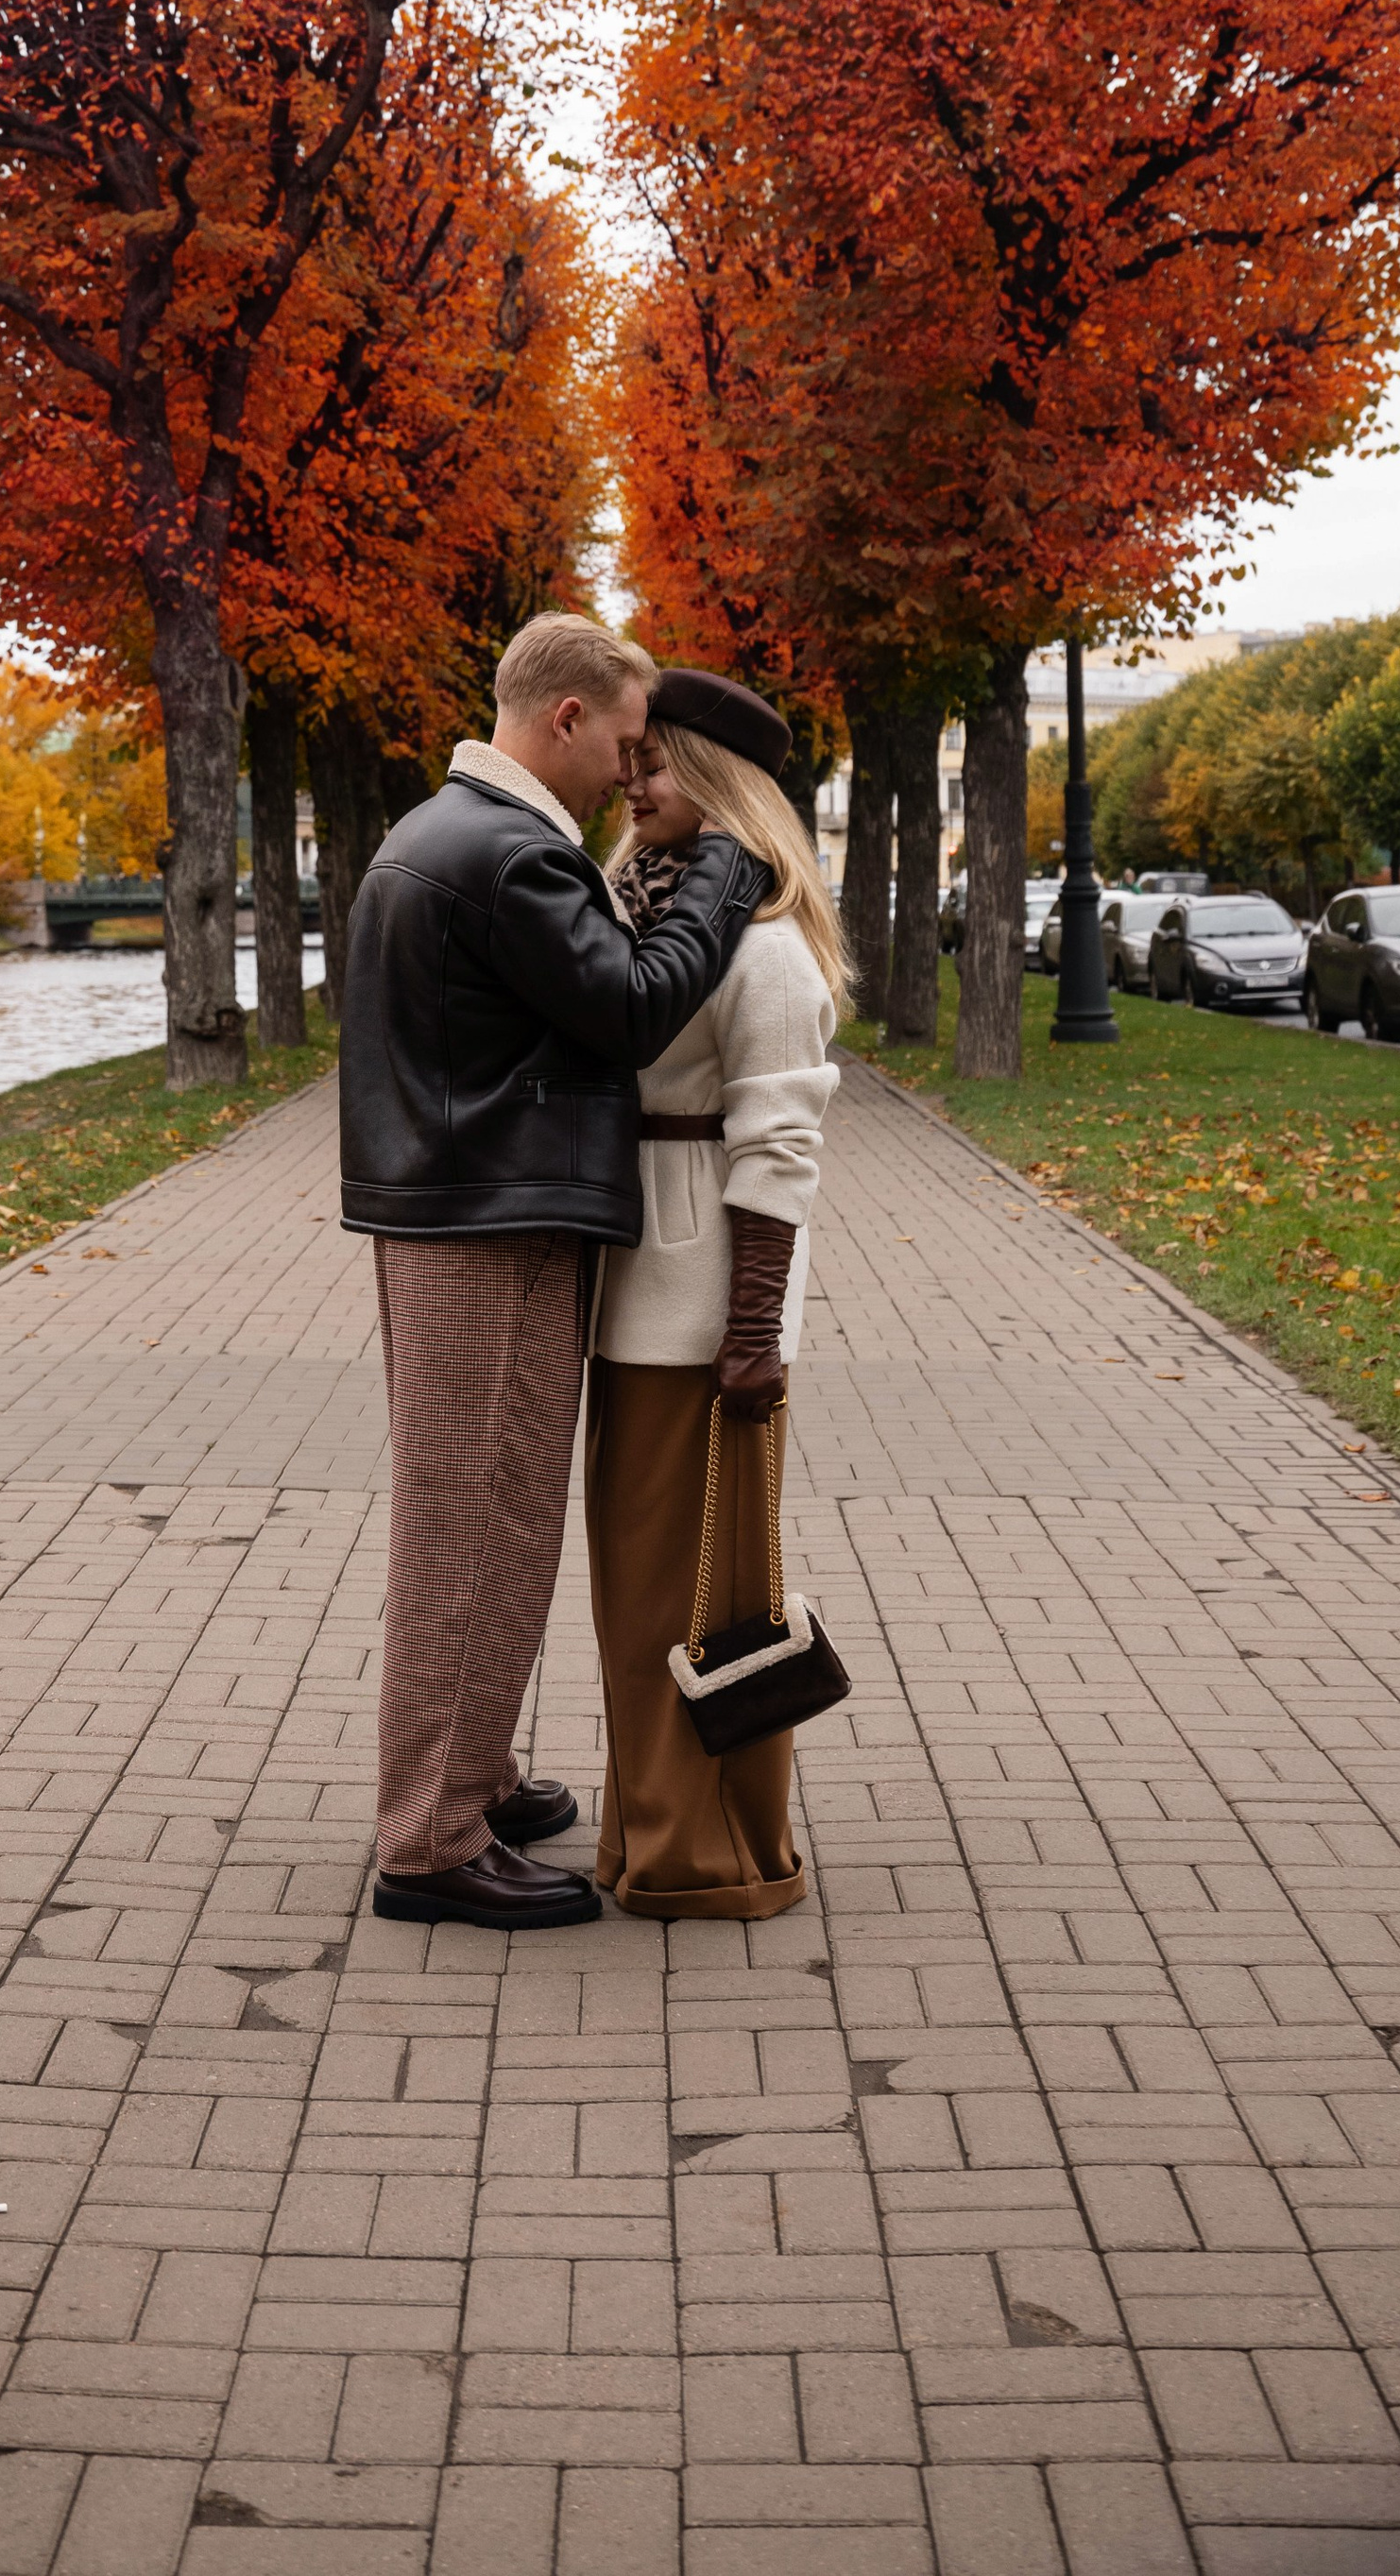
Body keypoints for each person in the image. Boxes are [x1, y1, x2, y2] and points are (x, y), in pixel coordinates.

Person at [339, 613, 768, 1931]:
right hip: (493, 1223)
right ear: (568, 718)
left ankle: (468, 1776)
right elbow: (635, 1003)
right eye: (626, 745)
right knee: (478, 1521)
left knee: (478, 1509)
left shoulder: (445, 830)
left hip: (456, 1208)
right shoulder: (508, 852)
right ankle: (430, 1839)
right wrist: (722, 881)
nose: (631, 779)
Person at [587, 668, 845, 1920]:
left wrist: (751, 1334)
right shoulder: (647, 906)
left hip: (700, 1320)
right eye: (629, 761)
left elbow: (780, 1147)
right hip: (639, 1300)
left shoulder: (765, 943)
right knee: (642, 1591)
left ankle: (703, 1850)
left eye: (657, 763)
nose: (632, 783)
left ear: (727, 784)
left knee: (689, 1594)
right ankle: (653, 1829)